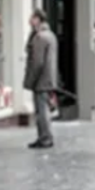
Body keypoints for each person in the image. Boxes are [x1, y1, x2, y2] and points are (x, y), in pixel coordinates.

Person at [23, 9, 58, 150]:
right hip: (48, 78)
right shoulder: (50, 35)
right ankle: (45, 137)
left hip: (41, 80)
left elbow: (37, 62)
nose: (29, 20)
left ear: (37, 19)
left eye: (32, 17)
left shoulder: (40, 37)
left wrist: (31, 80)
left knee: (41, 110)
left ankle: (45, 138)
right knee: (44, 109)